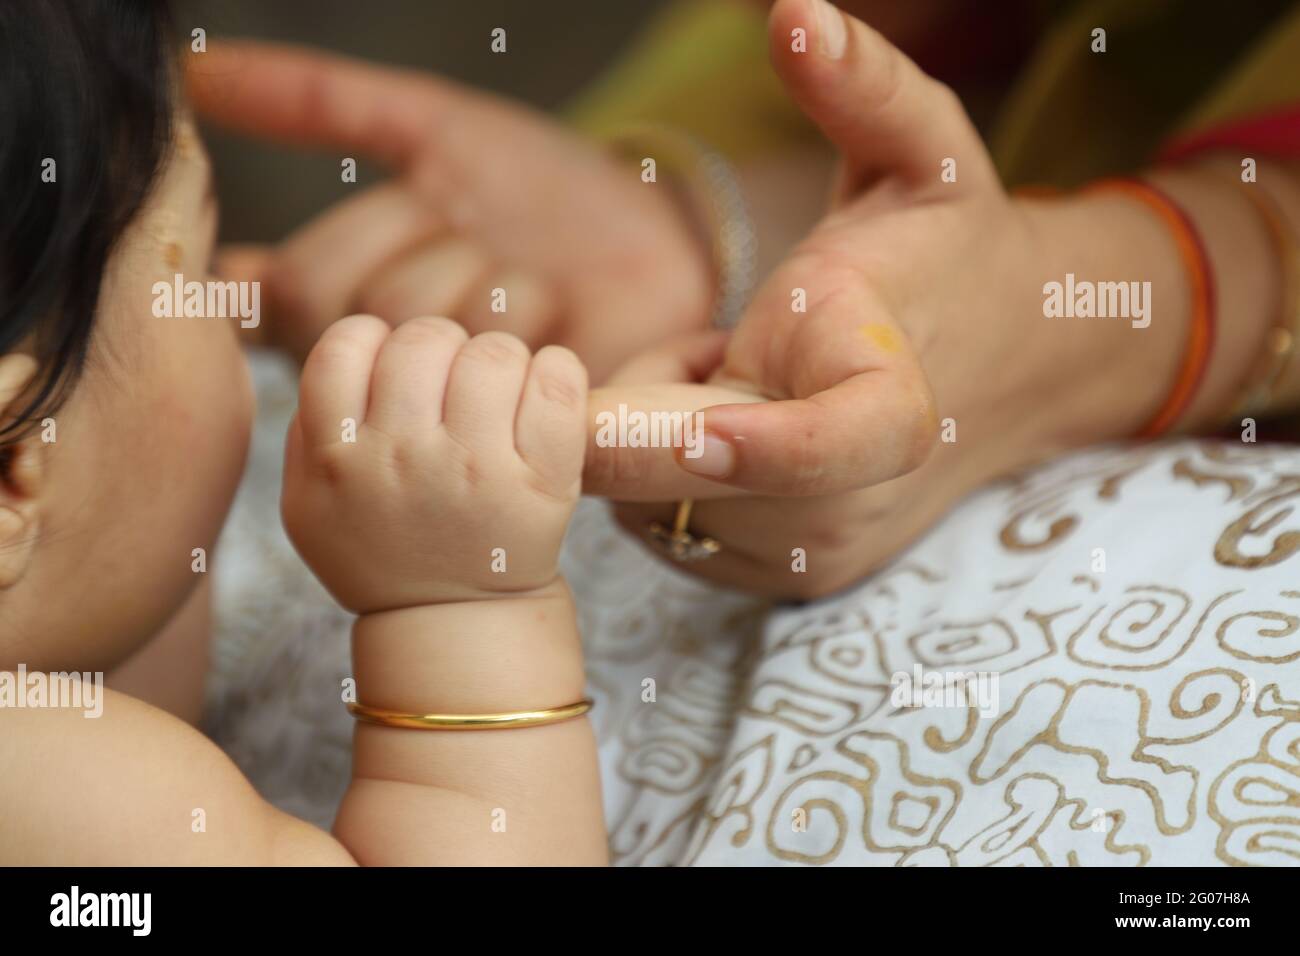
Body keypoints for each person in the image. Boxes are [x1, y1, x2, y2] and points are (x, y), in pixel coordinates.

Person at [0, 0, 604, 866]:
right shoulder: (74, 803)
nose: (245, 297)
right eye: (203, 268)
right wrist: (456, 608)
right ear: (15, 468)